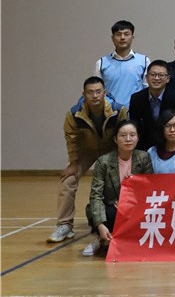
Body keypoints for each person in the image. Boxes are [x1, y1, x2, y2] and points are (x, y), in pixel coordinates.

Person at [48, 77, 128, 244]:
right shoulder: (74, 113)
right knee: (68, 180)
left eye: (98, 92)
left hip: (112, 150)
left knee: (116, 181)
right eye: (90, 92)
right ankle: (64, 225)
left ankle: (118, 220)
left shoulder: (118, 110)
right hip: (88, 151)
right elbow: (71, 139)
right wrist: (73, 163)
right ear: (84, 94)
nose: (95, 96)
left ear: (105, 93)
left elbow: (124, 135)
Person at [83, 119, 152, 257]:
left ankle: (124, 240)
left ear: (138, 137)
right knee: (94, 210)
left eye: (132, 135)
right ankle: (101, 238)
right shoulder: (103, 161)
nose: (128, 139)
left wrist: (130, 201)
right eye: (123, 135)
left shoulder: (143, 157)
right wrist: (100, 225)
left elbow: (149, 189)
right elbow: (96, 195)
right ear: (115, 139)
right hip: (113, 208)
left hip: (136, 208)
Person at [129, 59, 175, 151]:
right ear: (146, 78)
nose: (156, 78)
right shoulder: (136, 99)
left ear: (168, 78)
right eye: (153, 75)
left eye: (161, 75)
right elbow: (134, 127)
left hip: (170, 145)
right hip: (144, 146)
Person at [94, 20, 149, 109]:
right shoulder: (101, 63)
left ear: (132, 37)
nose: (122, 37)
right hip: (111, 112)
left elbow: (147, 89)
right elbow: (97, 90)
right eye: (118, 34)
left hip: (136, 112)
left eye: (126, 34)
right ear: (112, 38)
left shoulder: (144, 61)